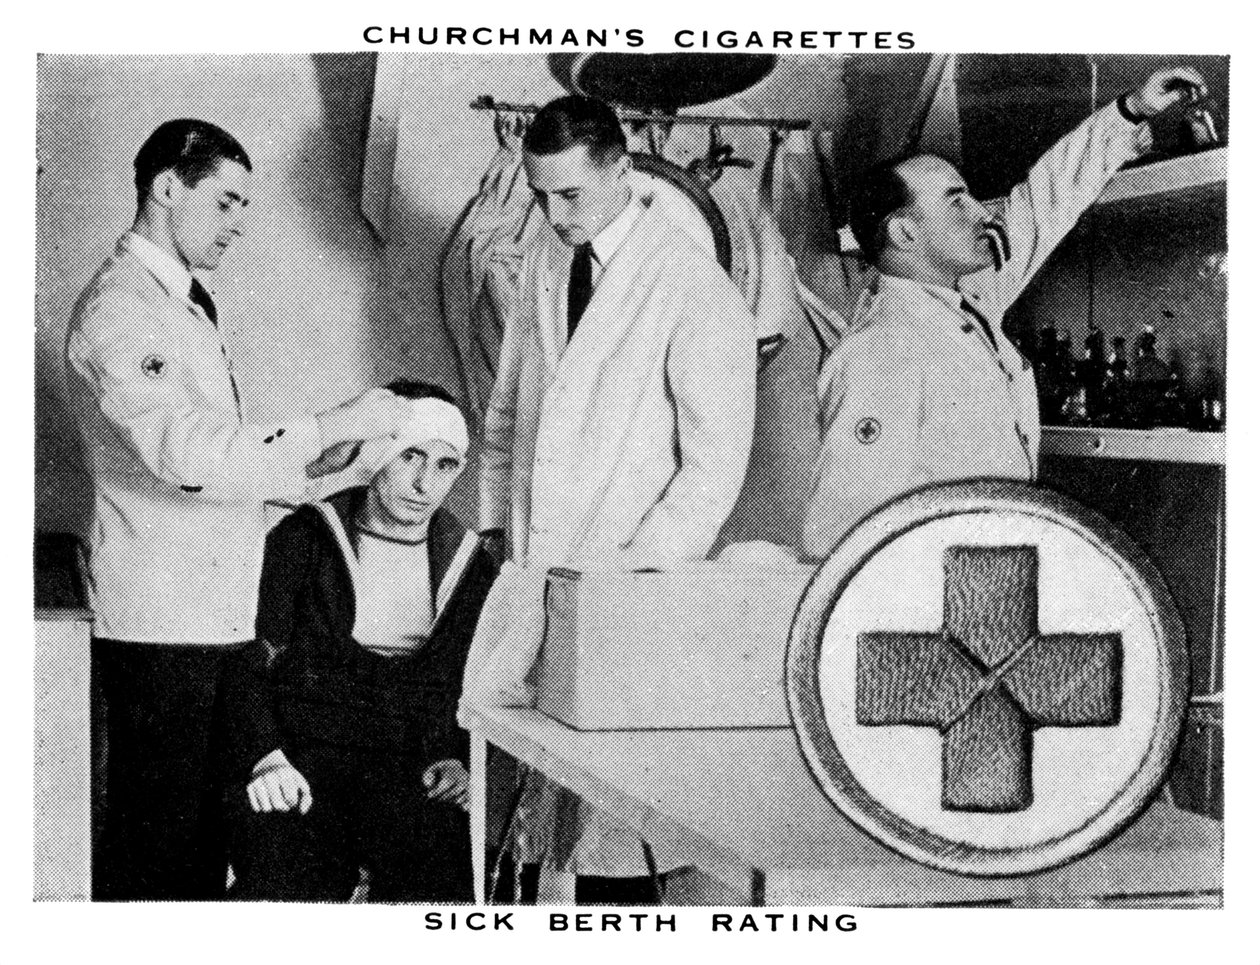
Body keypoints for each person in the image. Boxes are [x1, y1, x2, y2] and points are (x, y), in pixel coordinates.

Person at [65, 118, 410, 901]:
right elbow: (188, 457)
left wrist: (319, 467)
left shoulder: (180, 302)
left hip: (212, 618)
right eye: (225, 201)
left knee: (200, 846)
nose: (237, 224)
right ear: (166, 188)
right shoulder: (121, 310)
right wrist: (332, 423)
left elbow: (219, 461)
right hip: (162, 626)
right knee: (157, 853)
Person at [473, 94, 758, 904]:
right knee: (528, 831)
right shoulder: (546, 258)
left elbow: (712, 469)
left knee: (615, 835)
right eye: (540, 195)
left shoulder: (691, 283)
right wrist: (495, 527)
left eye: (570, 194)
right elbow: (508, 408)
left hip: (626, 592)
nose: (554, 214)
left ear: (623, 170)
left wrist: (634, 575)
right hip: (535, 569)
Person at [801, 67, 1208, 559]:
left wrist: (1130, 112)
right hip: (940, 589)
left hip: (993, 571)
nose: (983, 213)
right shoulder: (882, 351)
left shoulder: (965, 303)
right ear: (905, 234)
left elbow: (1044, 203)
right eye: (957, 202)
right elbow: (840, 533)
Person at [223, 382, 497, 902]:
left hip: (411, 768)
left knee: (444, 876)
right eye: (410, 456)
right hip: (303, 760)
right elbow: (248, 659)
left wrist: (460, 760)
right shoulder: (304, 538)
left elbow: (479, 682)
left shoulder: (472, 566)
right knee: (289, 879)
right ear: (374, 455)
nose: (424, 484)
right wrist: (266, 757)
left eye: (445, 465)